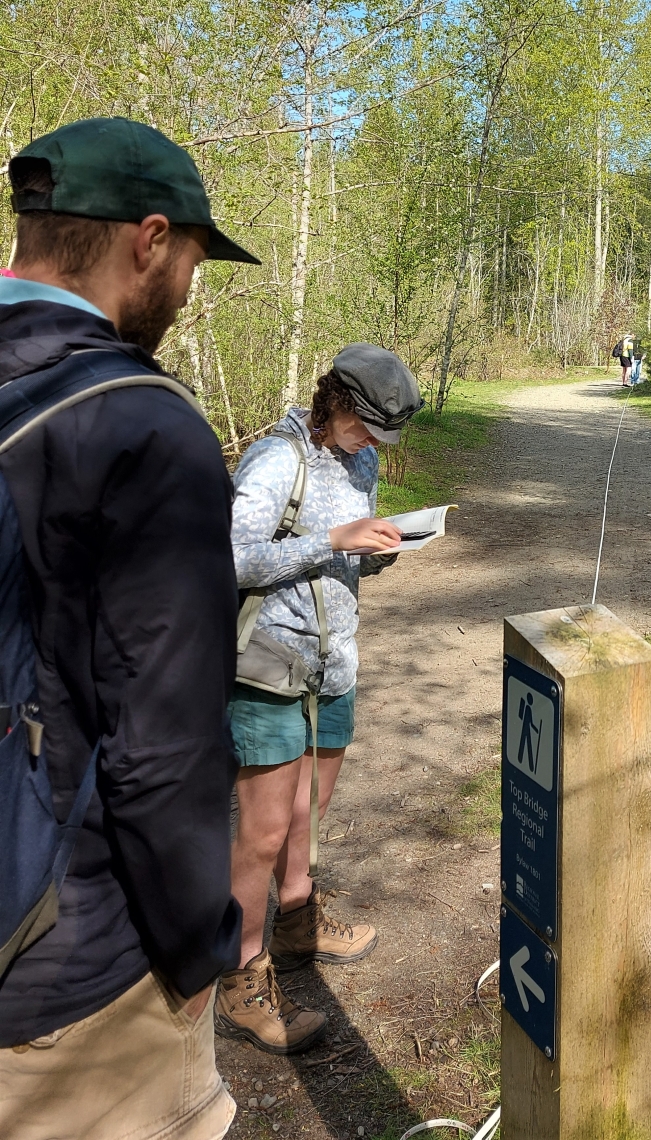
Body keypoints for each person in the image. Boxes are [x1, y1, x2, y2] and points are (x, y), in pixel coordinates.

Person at [0, 118, 259, 1139]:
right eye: (193, 260)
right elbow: (166, 748)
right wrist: (201, 944)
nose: (189, 293)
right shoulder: (141, 427)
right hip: (70, 969)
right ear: (149, 240)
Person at [216, 343, 423, 1054]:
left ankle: (299, 926)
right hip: (269, 664)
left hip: (335, 662)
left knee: (311, 810)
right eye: (366, 425)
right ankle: (242, 981)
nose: (373, 444)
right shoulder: (278, 459)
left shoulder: (360, 459)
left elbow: (343, 548)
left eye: (382, 435)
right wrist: (331, 537)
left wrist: (378, 548)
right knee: (264, 832)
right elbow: (231, 557)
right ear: (333, 399)